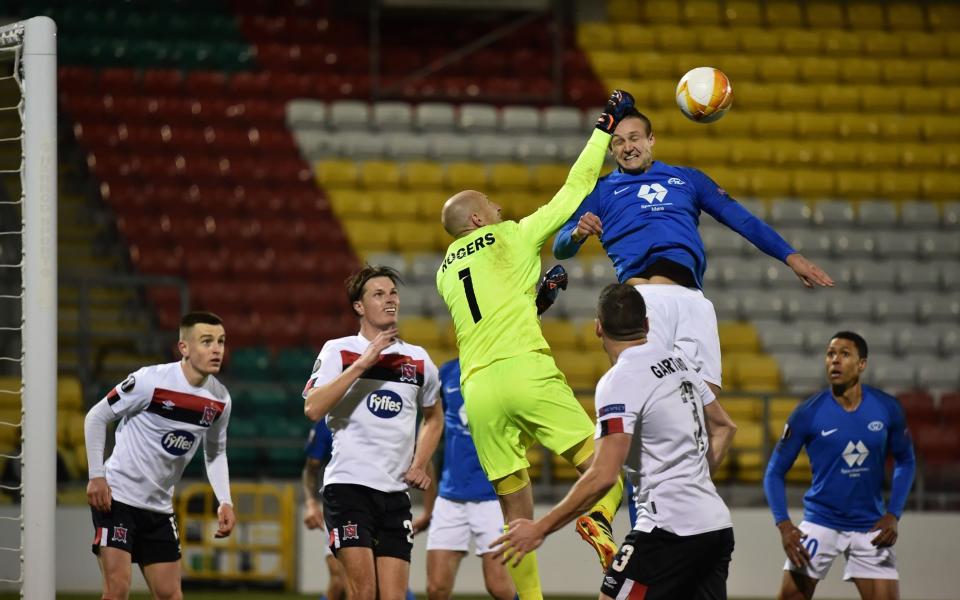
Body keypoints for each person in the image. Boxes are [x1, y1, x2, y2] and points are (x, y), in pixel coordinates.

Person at [436, 90, 636, 597]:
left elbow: (492, 312)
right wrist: (604, 126)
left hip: (478, 390)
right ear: (479, 219)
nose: (500, 207)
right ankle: (599, 519)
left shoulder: (445, 271)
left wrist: (536, 300)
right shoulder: (514, 236)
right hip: (526, 371)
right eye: (491, 205)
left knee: (513, 514)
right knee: (606, 471)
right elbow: (574, 189)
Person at [552, 108, 834, 399]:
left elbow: (742, 219)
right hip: (644, 303)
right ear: (611, 150)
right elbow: (560, 248)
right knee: (650, 401)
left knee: (705, 402)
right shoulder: (600, 191)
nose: (627, 147)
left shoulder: (688, 179)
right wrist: (576, 234)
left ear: (651, 140)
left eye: (634, 138)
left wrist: (790, 257)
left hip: (693, 301)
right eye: (619, 142)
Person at [493, 284, 738, 599]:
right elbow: (725, 427)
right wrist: (695, 479)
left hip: (668, 531)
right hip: (715, 526)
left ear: (598, 327)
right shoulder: (679, 365)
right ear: (647, 324)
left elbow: (603, 475)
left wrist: (540, 528)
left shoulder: (619, 381)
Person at [303, 265, 444, 600]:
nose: (389, 299)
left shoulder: (419, 359)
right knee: (363, 592)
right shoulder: (338, 350)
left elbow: (434, 418)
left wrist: (420, 463)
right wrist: (363, 364)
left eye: (392, 292)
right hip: (348, 489)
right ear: (359, 307)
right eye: (378, 294)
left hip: (395, 495)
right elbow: (313, 407)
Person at [84, 311, 236, 600]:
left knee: (171, 595)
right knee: (117, 589)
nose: (216, 349)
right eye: (206, 341)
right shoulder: (149, 381)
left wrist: (225, 500)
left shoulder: (220, 399)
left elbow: (215, 452)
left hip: (159, 508)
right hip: (118, 499)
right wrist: (96, 476)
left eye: (221, 341)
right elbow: (96, 416)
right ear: (184, 348)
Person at [763, 331, 916, 600]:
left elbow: (906, 460)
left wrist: (893, 514)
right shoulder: (807, 413)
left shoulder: (887, 408)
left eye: (844, 354)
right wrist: (784, 525)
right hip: (821, 521)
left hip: (870, 525)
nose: (835, 360)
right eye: (830, 354)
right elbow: (774, 471)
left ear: (862, 364)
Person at [412, 358, 515, 600]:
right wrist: (428, 511)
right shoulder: (447, 372)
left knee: (499, 586)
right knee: (436, 588)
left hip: (493, 497)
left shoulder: (507, 370)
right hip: (450, 498)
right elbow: (430, 425)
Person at [302, 418, 349, 600]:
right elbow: (310, 469)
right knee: (340, 582)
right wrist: (311, 504)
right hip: (340, 510)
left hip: (381, 506)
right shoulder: (327, 422)